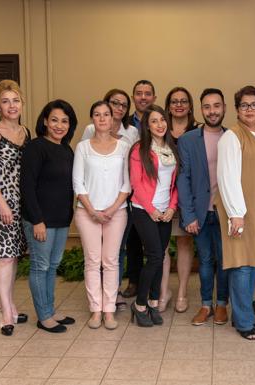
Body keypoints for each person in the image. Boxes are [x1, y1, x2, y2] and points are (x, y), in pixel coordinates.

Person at [216, 85, 255, 340]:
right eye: (244, 105)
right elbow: (227, 177)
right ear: (237, 110)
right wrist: (236, 213)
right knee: (242, 265)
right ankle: (244, 322)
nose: (249, 109)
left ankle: (243, 316)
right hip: (243, 212)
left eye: (254, 105)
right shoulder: (231, 137)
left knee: (252, 265)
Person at [21, 99, 78, 333]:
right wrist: (37, 220)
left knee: (52, 266)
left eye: (64, 121)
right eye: (54, 120)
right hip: (40, 220)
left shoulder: (66, 149)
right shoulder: (36, 147)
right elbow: (27, 187)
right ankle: (44, 316)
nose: (59, 125)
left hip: (61, 219)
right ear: (45, 121)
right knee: (40, 266)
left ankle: (50, 310)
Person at [73, 101, 131, 330]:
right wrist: (92, 210)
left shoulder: (124, 147)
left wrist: (111, 209)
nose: (102, 118)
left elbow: (127, 184)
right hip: (87, 212)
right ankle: (95, 310)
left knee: (111, 261)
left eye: (106, 114)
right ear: (92, 119)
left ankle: (109, 310)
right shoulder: (83, 147)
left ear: (112, 117)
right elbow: (78, 183)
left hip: (116, 213)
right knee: (92, 261)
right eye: (97, 114)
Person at [81, 89, 139, 310]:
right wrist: (90, 206)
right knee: (95, 257)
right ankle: (98, 302)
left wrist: (116, 205)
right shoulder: (89, 131)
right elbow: (85, 168)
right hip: (92, 204)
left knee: (116, 251)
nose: (119, 108)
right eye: (115, 103)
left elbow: (131, 170)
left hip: (121, 203)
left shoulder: (131, 133)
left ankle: (113, 296)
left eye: (124, 105)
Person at [0, 79, 30, 336]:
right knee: (5, 257)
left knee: (14, 256)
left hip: (21, 202)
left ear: (21, 103)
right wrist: (2, 204)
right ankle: (4, 312)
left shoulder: (26, 131)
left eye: (16, 100)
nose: (12, 106)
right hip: (0, 203)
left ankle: (8, 302)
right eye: (6, 101)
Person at [177, 88, 229, 325]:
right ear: (201, 110)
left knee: (225, 260)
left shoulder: (234, 137)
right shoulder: (188, 140)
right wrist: (188, 216)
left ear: (224, 108)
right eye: (207, 107)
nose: (212, 111)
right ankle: (206, 305)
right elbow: (184, 179)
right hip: (200, 212)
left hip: (226, 212)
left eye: (216, 106)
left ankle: (222, 305)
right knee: (206, 260)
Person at [128, 104, 179, 327]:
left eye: (162, 120)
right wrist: (152, 210)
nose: (160, 125)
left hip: (165, 211)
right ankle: (139, 304)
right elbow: (136, 184)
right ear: (147, 127)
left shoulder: (171, 147)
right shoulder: (139, 149)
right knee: (156, 256)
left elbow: (175, 183)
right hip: (143, 210)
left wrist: (172, 208)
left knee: (161, 257)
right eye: (154, 121)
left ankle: (153, 301)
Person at [158, 86, 198, 313]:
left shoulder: (198, 131)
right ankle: (164, 291)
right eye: (174, 101)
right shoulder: (160, 129)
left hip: (187, 198)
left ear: (190, 106)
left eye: (183, 101)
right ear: (168, 106)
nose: (179, 105)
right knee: (161, 245)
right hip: (162, 197)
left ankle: (182, 291)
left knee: (184, 242)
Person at [121, 80, 157, 299]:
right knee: (132, 239)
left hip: (155, 194)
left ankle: (153, 284)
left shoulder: (160, 120)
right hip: (129, 192)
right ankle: (134, 281)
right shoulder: (123, 123)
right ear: (133, 97)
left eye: (148, 94)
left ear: (154, 97)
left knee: (154, 246)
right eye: (139, 93)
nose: (143, 97)